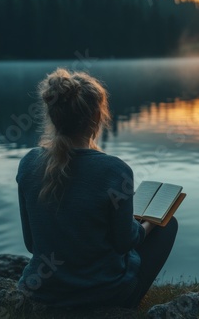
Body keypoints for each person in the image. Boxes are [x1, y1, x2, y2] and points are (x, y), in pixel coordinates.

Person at [16, 68, 178, 309]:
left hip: (41, 291)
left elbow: (31, 244)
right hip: (102, 295)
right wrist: (151, 222)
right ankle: (121, 305)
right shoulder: (114, 170)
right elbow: (126, 242)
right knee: (168, 225)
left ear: (54, 115)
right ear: (96, 117)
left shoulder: (29, 163)